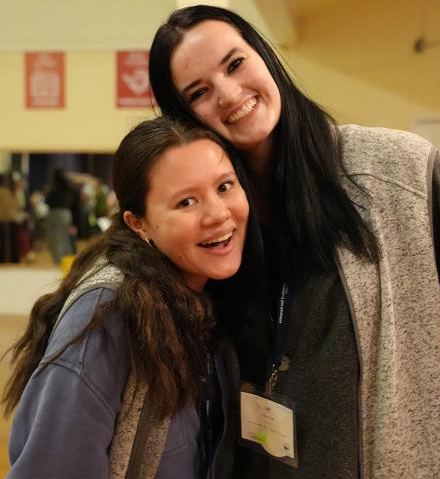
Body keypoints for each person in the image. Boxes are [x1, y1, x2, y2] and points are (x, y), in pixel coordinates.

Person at [148, 5, 440, 478]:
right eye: (199, 92)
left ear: (264, 56)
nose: (227, 94)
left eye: (235, 63)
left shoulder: (400, 172)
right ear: (183, 116)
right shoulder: (214, 227)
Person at [2, 117, 255, 478]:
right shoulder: (110, 315)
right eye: (186, 202)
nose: (218, 214)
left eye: (225, 186)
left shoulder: (207, 298)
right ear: (139, 224)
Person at [44, 168, 81, 264]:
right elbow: (76, 206)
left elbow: (47, 201)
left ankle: (58, 261)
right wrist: (75, 223)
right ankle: (67, 261)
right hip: (66, 213)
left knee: (54, 239)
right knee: (65, 239)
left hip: (54, 213)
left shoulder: (53, 188)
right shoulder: (70, 188)